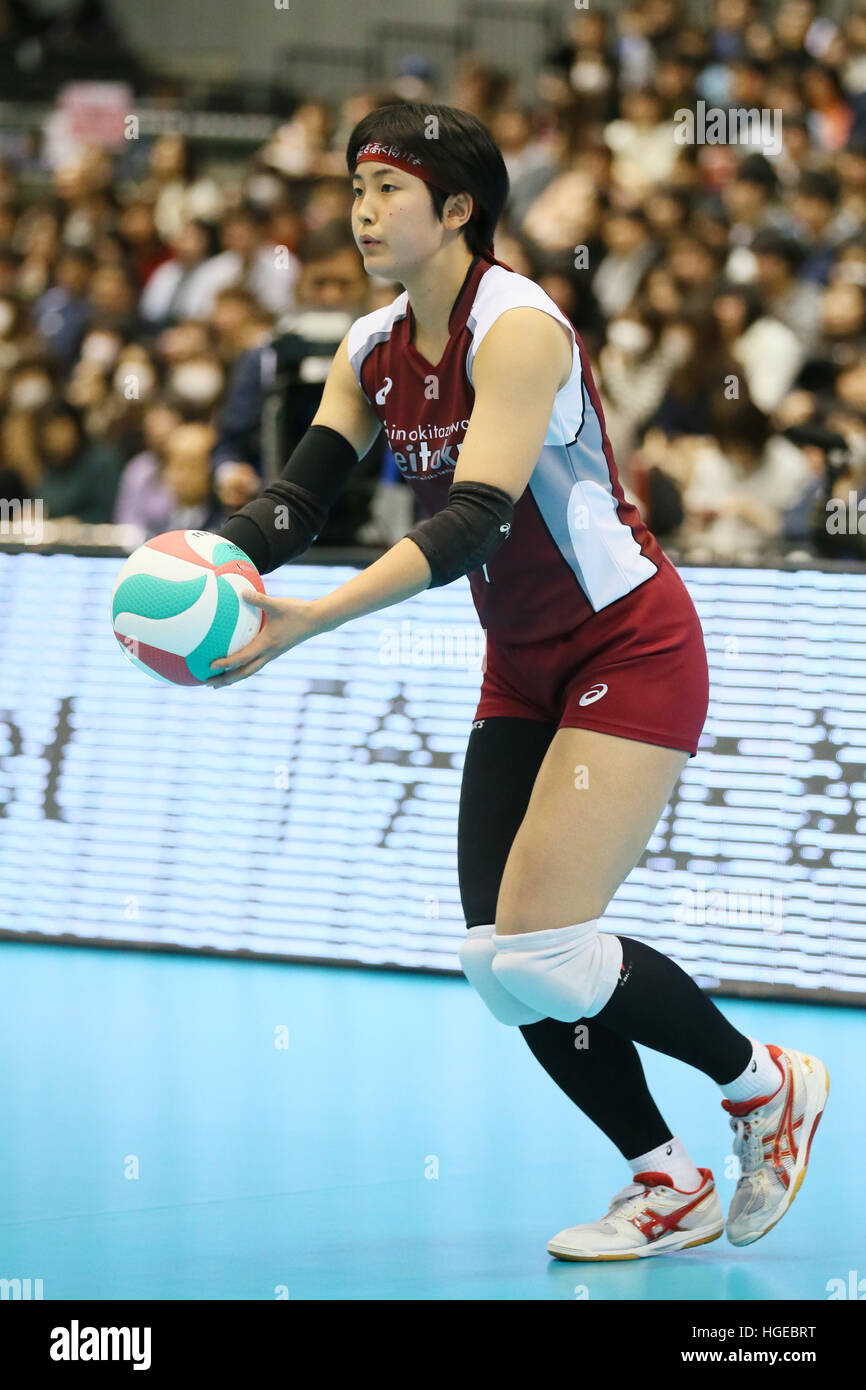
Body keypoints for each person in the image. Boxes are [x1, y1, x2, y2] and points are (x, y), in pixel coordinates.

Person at [210, 102, 829, 1261]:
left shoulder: (518, 327)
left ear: (457, 211)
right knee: (500, 965)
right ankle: (664, 1180)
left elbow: (473, 522)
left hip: (628, 642)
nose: (360, 211)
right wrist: (210, 563)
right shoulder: (368, 348)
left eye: (386, 191)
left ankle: (761, 1084)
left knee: (544, 947)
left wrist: (300, 625)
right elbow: (297, 499)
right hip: (523, 665)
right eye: (353, 191)